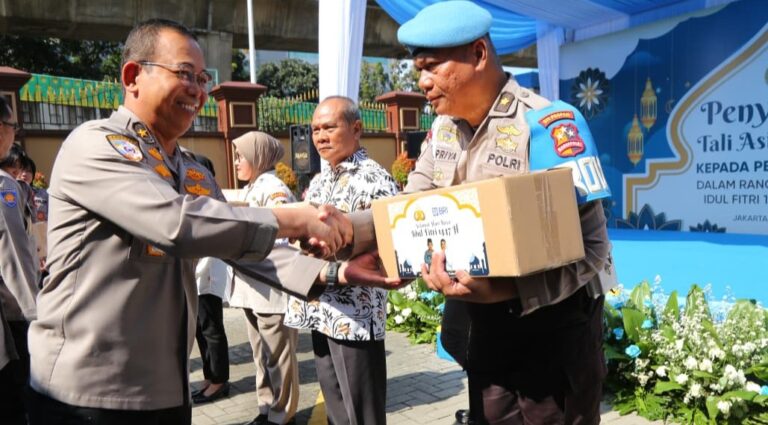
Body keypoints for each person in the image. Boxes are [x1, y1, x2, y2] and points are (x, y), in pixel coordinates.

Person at [26, 19, 395, 425]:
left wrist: (337, 273)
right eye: (185, 74)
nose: (199, 91)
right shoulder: (96, 145)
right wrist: (297, 219)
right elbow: (177, 223)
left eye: (202, 78)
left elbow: (244, 245)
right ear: (133, 76)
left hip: (163, 390)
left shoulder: (190, 171)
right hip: (86, 393)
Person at [345, 2, 614, 424]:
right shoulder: (444, 131)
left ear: (478, 54)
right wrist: (350, 232)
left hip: (554, 330)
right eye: (419, 69)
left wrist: (507, 291)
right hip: (486, 327)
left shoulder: (549, 125)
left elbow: (593, 249)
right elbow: (410, 206)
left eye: (432, 67)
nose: (423, 82)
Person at [284, 96, 400, 425]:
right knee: (335, 409)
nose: (320, 136)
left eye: (329, 127)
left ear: (356, 128)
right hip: (320, 309)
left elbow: (385, 242)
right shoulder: (321, 179)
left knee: (362, 414)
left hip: (355, 315)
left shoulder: (374, 179)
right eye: (315, 129)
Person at [228, 131, 300, 425]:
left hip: (272, 284)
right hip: (251, 284)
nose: (235, 163)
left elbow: (282, 240)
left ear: (258, 157)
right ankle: (266, 407)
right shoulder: (252, 187)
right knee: (261, 354)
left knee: (278, 356)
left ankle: (283, 415)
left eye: (240, 156)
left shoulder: (274, 189)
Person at [0, 96, 40, 425]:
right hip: (11, 319)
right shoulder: (4, 189)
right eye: (13, 126)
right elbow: (14, 257)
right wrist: (37, 317)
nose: (15, 132)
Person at [187, 152, 231, 406]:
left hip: (208, 273)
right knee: (201, 330)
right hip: (197, 274)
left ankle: (219, 381)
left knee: (211, 329)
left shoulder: (211, 201)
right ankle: (209, 377)